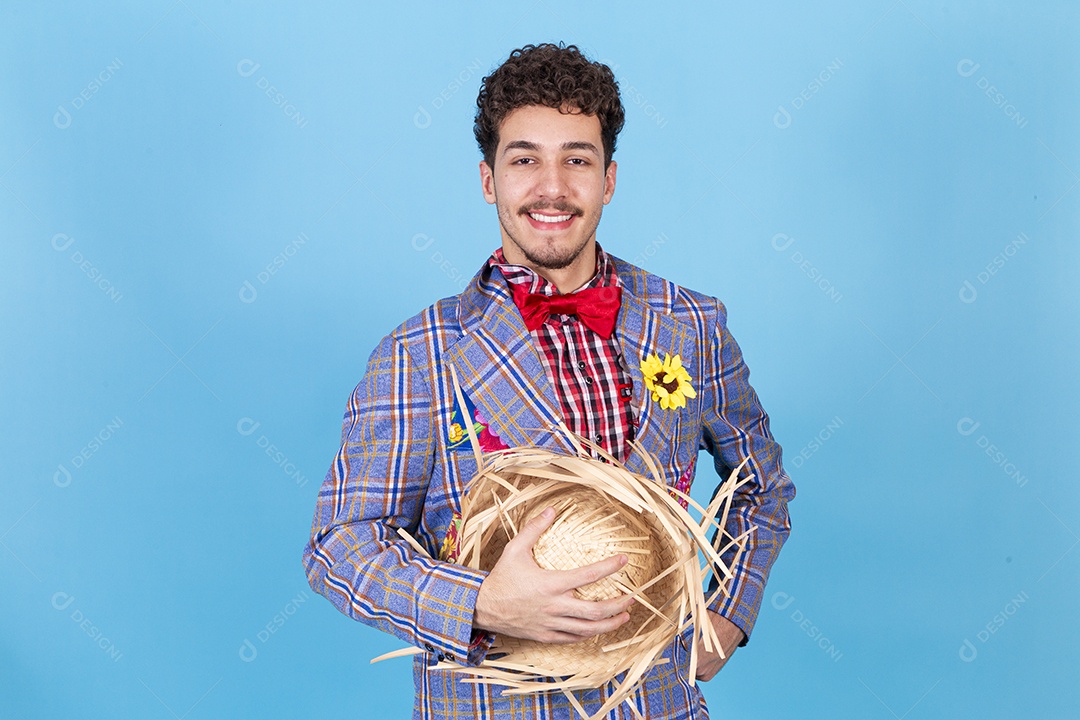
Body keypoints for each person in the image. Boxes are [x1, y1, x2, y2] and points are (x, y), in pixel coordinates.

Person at [302, 42, 794, 719]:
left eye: (577, 160)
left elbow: (763, 487)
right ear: (488, 180)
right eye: (525, 159)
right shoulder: (419, 354)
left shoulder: (691, 325)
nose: (553, 187)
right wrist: (479, 603)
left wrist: (728, 616)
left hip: (656, 702)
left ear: (609, 179)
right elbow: (340, 546)